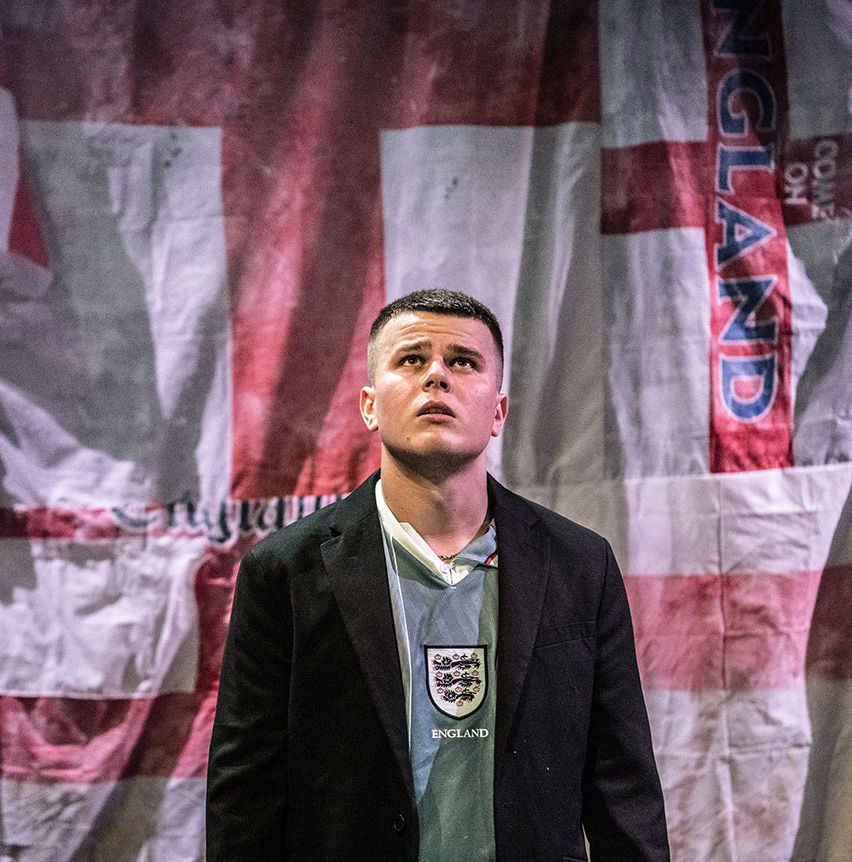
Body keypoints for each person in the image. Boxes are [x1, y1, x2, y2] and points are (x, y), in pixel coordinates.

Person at [206, 290, 669, 861]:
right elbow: (245, 797)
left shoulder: (579, 565)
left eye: (463, 362)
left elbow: (623, 789)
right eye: (411, 359)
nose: (437, 377)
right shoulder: (283, 572)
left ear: (498, 412)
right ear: (370, 405)